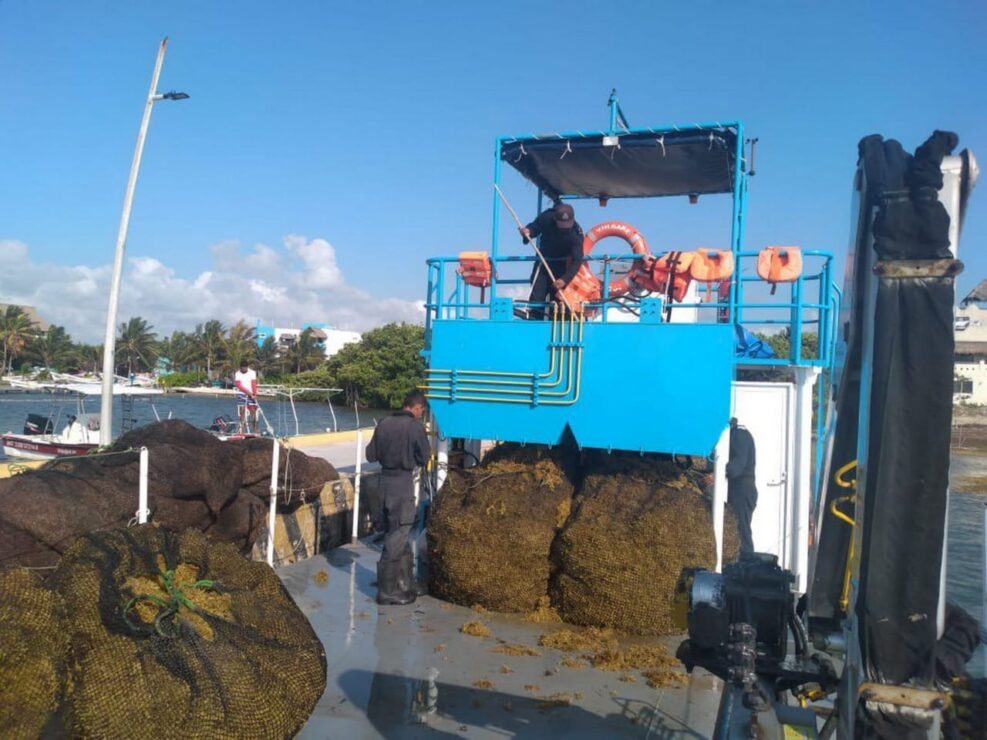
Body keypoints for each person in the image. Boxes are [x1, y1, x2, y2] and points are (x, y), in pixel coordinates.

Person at [365, 391, 431, 605]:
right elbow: (424, 457)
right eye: (422, 411)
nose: (421, 414)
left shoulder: (383, 423)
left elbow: (370, 455)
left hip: (382, 484)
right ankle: (387, 591)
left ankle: (403, 582)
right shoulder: (415, 427)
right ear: (417, 407)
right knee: (399, 534)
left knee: (392, 533)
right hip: (402, 485)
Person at [519, 202, 584, 319]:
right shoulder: (546, 217)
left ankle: (557, 323)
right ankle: (534, 322)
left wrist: (565, 279)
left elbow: (577, 260)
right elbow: (534, 228)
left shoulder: (576, 234)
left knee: (559, 303)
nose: (565, 228)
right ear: (555, 220)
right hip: (544, 263)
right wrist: (528, 232)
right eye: (562, 225)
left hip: (563, 266)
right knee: (537, 298)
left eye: (568, 225)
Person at [726, 417, 758, 553]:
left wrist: (719, 472)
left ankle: (748, 561)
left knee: (741, 531)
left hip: (742, 491)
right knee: (737, 530)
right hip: (739, 490)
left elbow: (737, 466)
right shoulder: (737, 435)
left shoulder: (739, 435)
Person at [233, 361, 259, 434]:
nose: (243, 369)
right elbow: (239, 385)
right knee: (242, 411)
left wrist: (254, 394)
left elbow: (253, 384)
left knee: (253, 411)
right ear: (240, 367)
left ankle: (255, 430)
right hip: (242, 394)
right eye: (242, 368)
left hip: (251, 394)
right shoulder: (237, 374)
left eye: (245, 368)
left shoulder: (252, 373)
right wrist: (248, 392)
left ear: (247, 367)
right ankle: (243, 431)